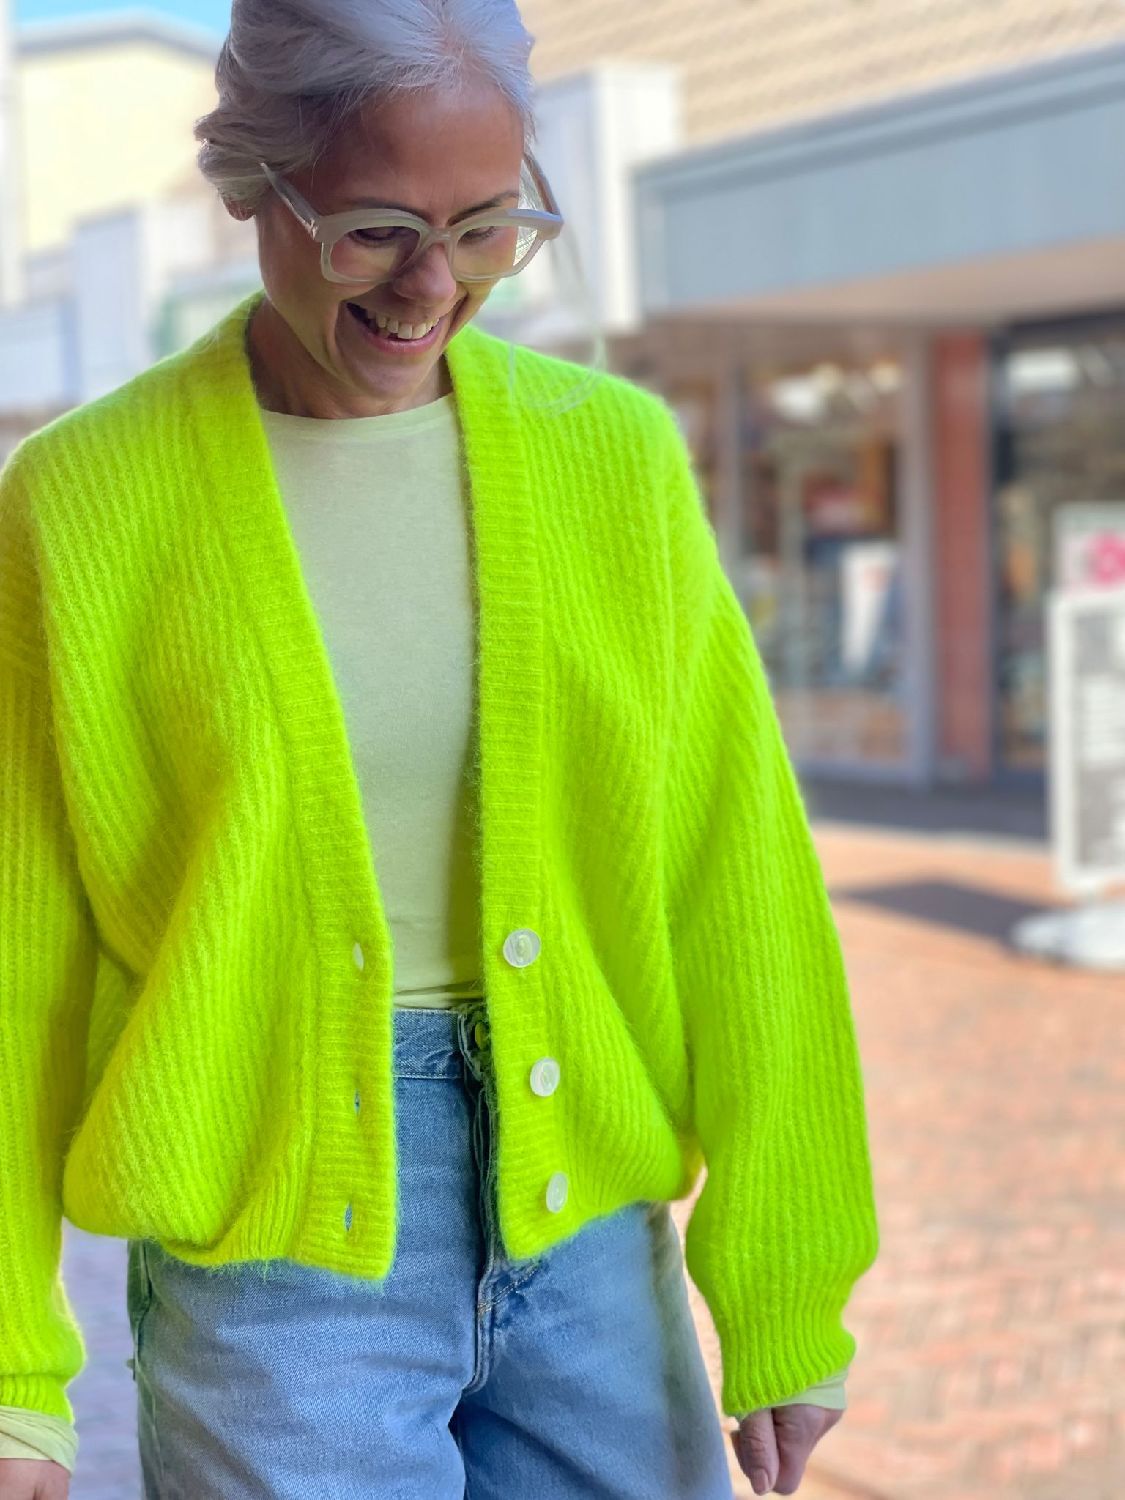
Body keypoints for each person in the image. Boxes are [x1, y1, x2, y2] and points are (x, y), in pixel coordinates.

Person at [0, 2, 880, 1496]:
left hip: (588, 1228)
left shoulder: (613, 463)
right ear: (255, 186)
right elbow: (21, 952)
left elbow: (735, 876)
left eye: (487, 228)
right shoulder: (86, 502)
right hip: (272, 1264)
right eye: (375, 230)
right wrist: (16, 1368)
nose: (433, 286)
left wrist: (786, 1289)